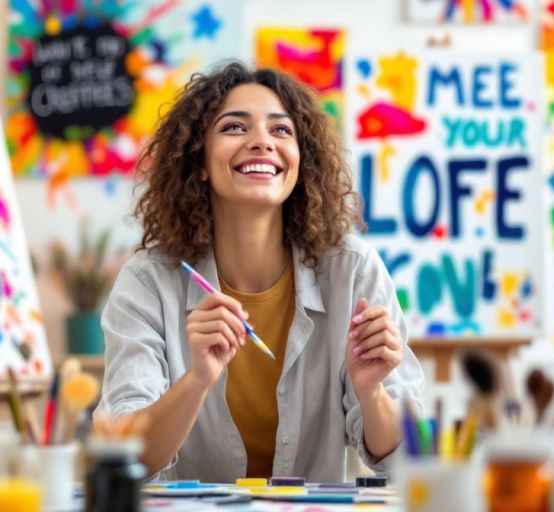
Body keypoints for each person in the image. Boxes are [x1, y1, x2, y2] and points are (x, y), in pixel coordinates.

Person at [97, 61, 426, 482]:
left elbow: (403, 461)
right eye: (235, 127)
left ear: (300, 162)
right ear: (198, 160)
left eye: (281, 130)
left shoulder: (353, 270)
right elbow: (126, 458)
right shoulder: (148, 282)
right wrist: (198, 379)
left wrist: (370, 389)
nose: (261, 142)